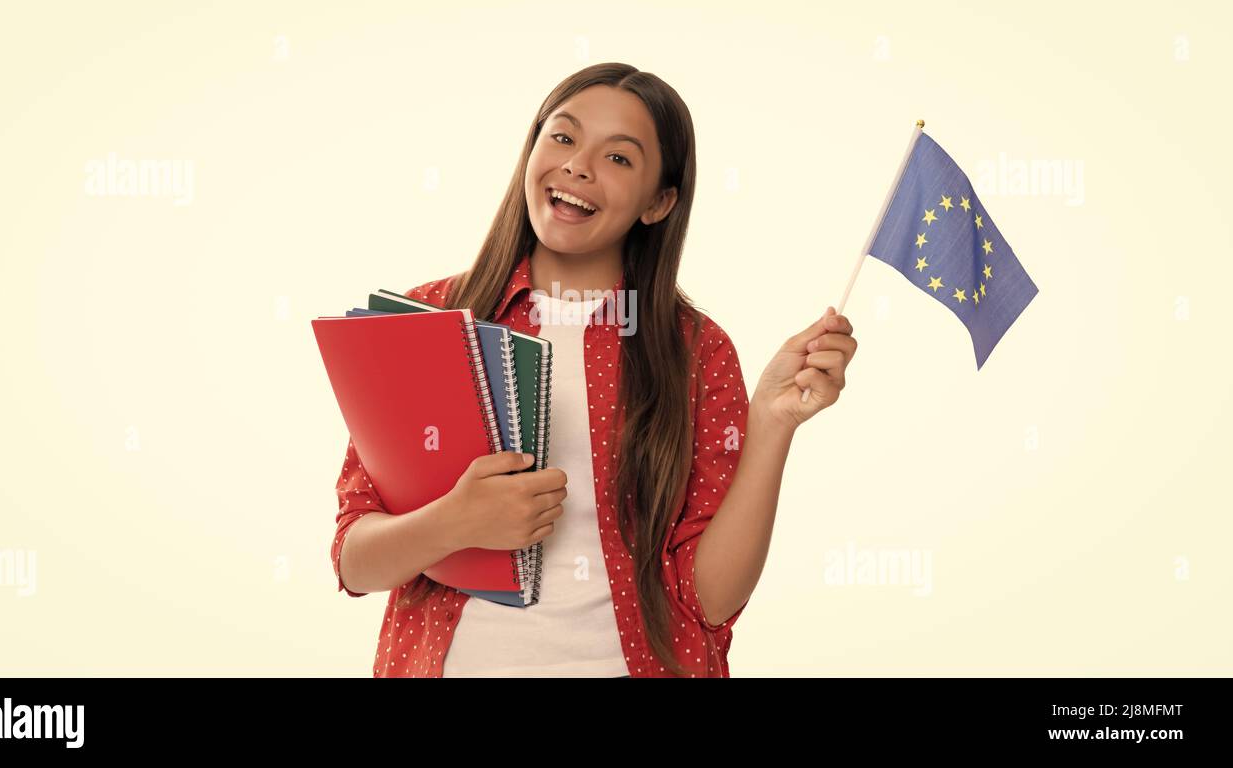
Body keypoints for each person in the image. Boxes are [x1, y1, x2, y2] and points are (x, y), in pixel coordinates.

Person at [331, 63, 858, 677]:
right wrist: (454, 522)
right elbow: (353, 561)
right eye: (563, 137)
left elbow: (710, 602)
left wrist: (772, 424)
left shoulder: (696, 352)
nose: (578, 165)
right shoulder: (427, 321)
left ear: (659, 202)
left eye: (619, 158)